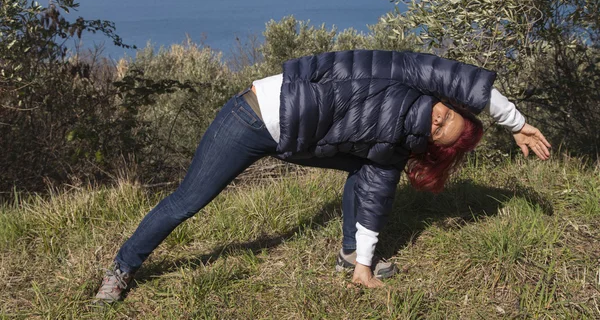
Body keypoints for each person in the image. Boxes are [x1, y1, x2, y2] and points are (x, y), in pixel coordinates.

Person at [95, 50, 551, 301]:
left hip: (293, 141)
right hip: (251, 119)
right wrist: (516, 122)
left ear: (433, 148)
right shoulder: (410, 73)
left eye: (442, 130)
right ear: (444, 101)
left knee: (363, 171)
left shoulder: (391, 151)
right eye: (443, 114)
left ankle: (349, 256)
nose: (438, 119)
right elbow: (463, 79)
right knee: (187, 201)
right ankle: (122, 269)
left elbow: (375, 198)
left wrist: (364, 268)